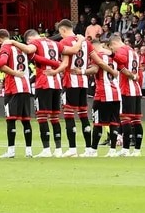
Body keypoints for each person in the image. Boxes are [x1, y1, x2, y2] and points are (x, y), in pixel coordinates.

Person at [0, 29, 35, 158]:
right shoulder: (20, 48)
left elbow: (2, 65)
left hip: (13, 87)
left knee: (11, 120)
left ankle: (11, 151)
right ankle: (29, 151)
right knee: (25, 120)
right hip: (26, 87)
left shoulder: (5, 47)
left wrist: (14, 73)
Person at [27, 27, 69, 157]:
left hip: (43, 83)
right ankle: (58, 149)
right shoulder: (55, 44)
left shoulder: (36, 43)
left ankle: (46, 149)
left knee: (41, 116)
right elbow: (68, 56)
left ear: (30, 39)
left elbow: (31, 52)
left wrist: (13, 43)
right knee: (55, 117)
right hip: (56, 83)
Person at [57, 19, 96, 157]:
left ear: (63, 30)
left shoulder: (64, 42)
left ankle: (72, 149)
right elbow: (95, 60)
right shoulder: (86, 42)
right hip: (83, 81)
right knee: (83, 115)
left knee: (68, 114)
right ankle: (88, 148)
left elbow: (66, 60)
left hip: (70, 81)